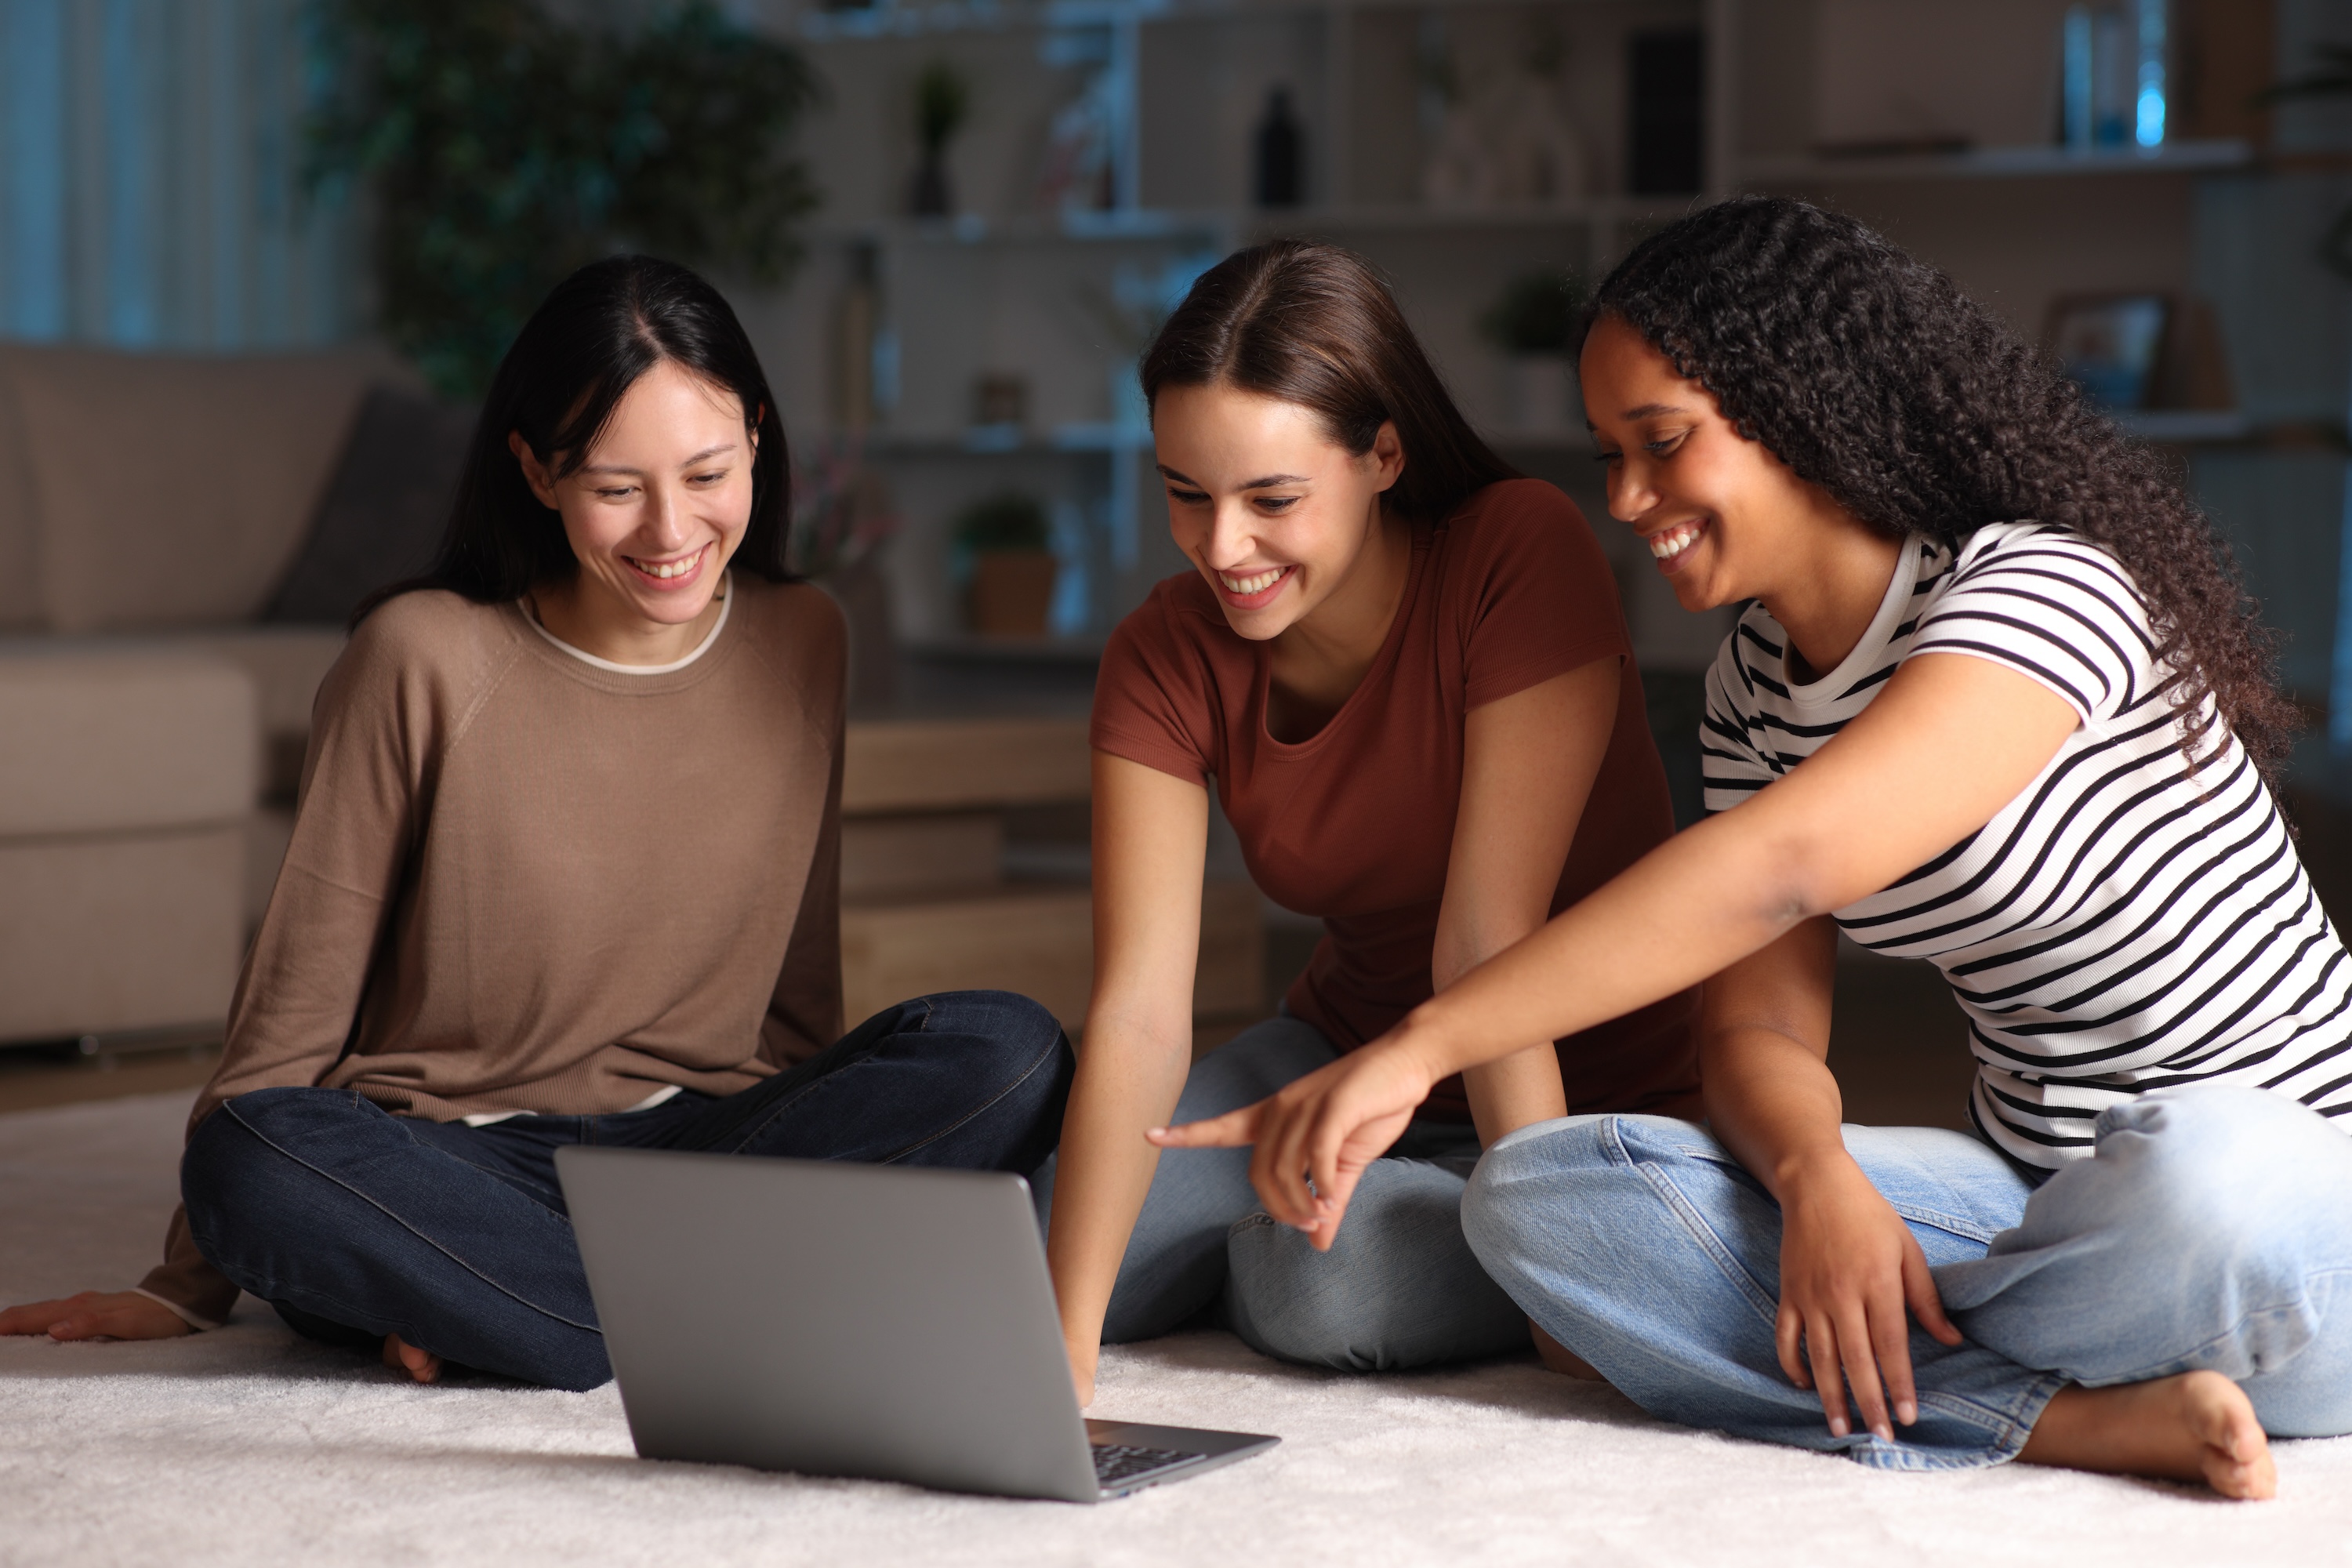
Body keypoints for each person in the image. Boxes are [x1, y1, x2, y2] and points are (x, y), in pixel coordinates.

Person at [1155, 198, 2352, 1499]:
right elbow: (1757, 1036)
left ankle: (1896, 1369)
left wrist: (1419, 1047)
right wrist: (1817, 1176)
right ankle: (2055, 1411)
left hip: (2287, 1195)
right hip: (2034, 1200)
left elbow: (1785, 864)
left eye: (1661, 444)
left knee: (2199, 1185)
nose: (1625, 500)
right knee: (1541, 1196)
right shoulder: (1754, 689)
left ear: (1805, 408)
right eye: (1609, 454)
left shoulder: (2046, 589)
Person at [0, 256, 1073, 1391]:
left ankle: (514, 1308)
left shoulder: (808, 635)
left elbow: (797, 993)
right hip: (449, 1160)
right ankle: (610, 1299)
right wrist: (184, 1287)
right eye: (615, 488)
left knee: (1011, 1049)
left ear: (758, 436)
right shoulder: (419, 654)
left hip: (695, 1147)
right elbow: (292, 1010)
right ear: (535, 470)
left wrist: (811, 1167)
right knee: (253, 1155)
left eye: (706, 472)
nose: (670, 532)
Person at [1040, 239, 1700, 1404]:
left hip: (1583, 1098)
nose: (1221, 547)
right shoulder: (1162, 651)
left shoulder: (1516, 551)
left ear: (1383, 453)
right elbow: (1140, 1008)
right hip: (1336, 1063)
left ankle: (1319, 1249)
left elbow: (1486, 943)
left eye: (1271, 499)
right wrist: (1062, 1351)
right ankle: (1294, 1235)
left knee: (1322, 1291)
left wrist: (1555, 1266)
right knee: (1067, 1240)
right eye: (1186, 495)